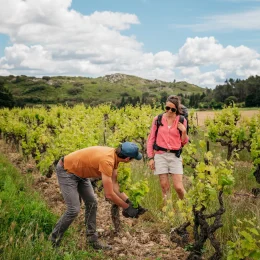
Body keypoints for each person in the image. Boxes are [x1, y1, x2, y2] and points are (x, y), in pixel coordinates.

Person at [50, 142, 143, 250]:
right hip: (67, 171)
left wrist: (129, 202)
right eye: (133, 159)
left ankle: (92, 240)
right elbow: (109, 194)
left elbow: (115, 186)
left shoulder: (114, 156)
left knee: (92, 203)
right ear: (127, 159)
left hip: (80, 174)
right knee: (73, 209)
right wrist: (127, 208)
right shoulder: (107, 161)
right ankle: (53, 240)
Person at [147, 95, 189, 203]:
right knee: (164, 187)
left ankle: (188, 208)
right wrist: (151, 157)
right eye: (167, 108)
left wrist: (184, 131)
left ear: (177, 109)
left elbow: (184, 142)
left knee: (178, 187)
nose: (169, 111)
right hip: (160, 155)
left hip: (175, 156)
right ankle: (168, 212)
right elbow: (151, 138)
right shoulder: (158, 119)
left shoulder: (181, 120)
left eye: (172, 109)